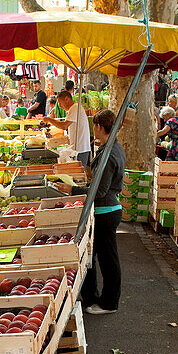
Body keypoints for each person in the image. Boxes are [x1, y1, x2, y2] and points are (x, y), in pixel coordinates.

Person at [69, 108, 126, 315]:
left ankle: (110, 303)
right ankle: (96, 298)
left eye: (95, 126)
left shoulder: (109, 152)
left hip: (106, 211)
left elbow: (100, 190)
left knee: (108, 259)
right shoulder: (112, 147)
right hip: (108, 209)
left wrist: (74, 189)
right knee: (102, 256)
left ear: (99, 127)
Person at [42, 90, 91, 168]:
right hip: (78, 148)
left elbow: (64, 126)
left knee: (79, 173)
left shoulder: (75, 108)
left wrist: (49, 119)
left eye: (60, 103)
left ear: (67, 99)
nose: (60, 106)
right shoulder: (73, 109)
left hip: (81, 148)